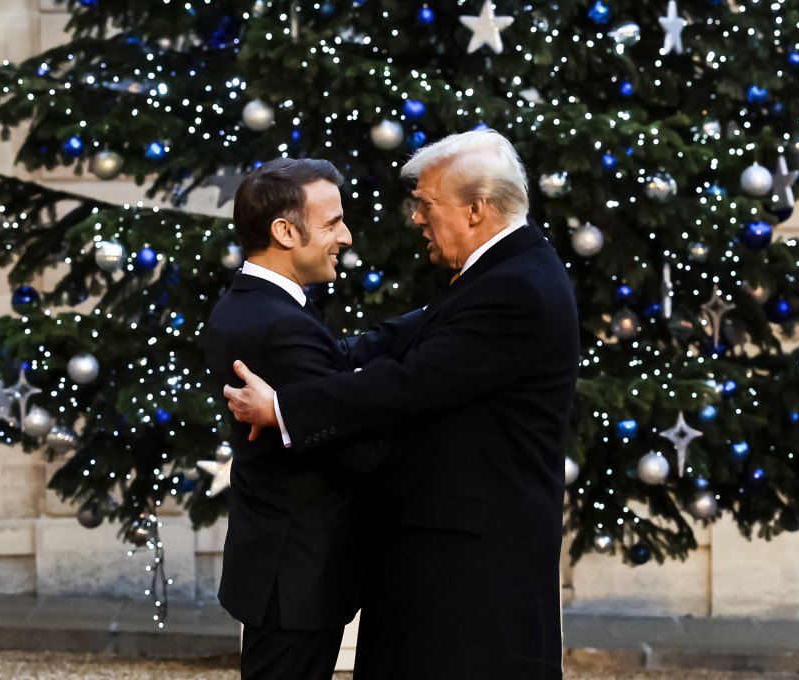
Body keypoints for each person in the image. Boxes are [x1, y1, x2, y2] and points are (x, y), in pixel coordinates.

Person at [224, 129, 581, 680]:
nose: (416, 217)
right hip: (447, 555)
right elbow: (404, 337)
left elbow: (411, 380)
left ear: (476, 209)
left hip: (473, 569)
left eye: (427, 203)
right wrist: (321, 357)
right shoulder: (503, 269)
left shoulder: (517, 287)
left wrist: (286, 408)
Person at [203, 157, 386, 680]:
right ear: (285, 230)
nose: (345, 237)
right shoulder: (281, 326)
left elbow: (339, 364)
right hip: (297, 574)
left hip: (281, 566)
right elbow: (356, 453)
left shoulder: (251, 304)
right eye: (332, 223)